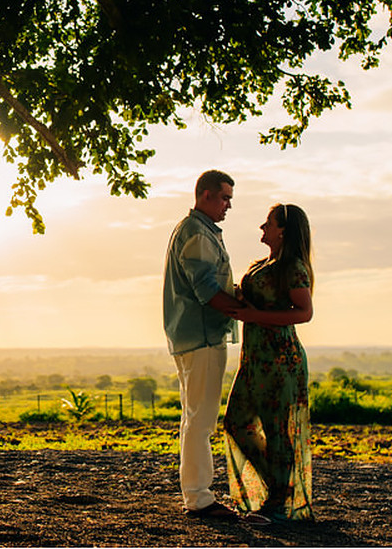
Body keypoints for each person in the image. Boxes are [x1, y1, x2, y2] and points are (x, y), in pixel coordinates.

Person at [162, 170, 251, 520]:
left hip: (192, 336)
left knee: (193, 419)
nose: (229, 205)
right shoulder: (197, 234)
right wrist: (248, 312)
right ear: (205, 195)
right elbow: (206, 290)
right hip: (202, 337)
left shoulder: (197, 231)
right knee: (202, 422)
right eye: (225, 197)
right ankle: (199, 498)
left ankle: (195, 493)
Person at [224, 203, 316, 523]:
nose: (262, 228)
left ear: (283, 231)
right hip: (254, 360)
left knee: (278, 432)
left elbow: (304, 313)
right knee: (236, 423)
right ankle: (281, 484)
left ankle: (279, 500)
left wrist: (254, 316)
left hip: (280, 361)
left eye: (268, 223)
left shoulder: (292, 267)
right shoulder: (264, 264)